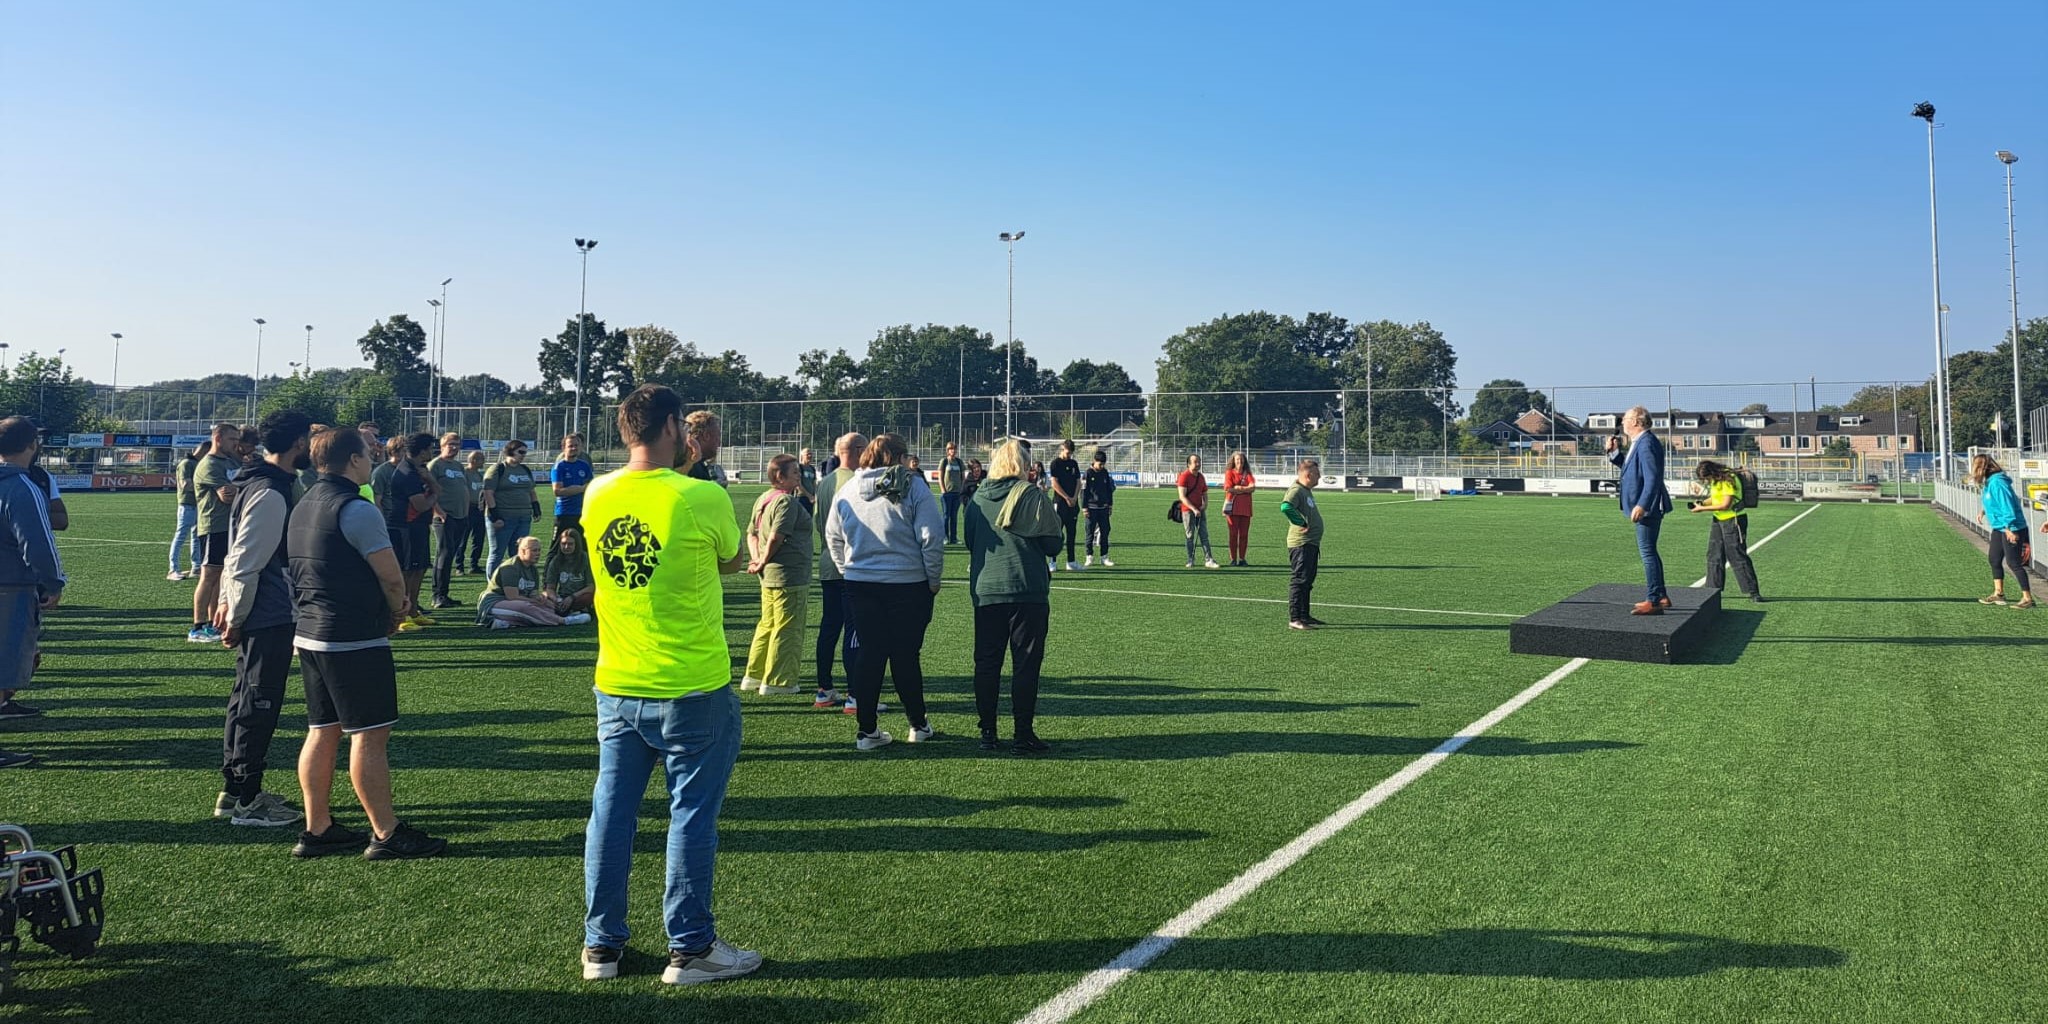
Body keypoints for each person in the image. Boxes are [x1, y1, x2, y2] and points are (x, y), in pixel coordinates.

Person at [579, 383, 758, 986]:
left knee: (610, 816)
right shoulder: (700, 494)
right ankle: (691, 948)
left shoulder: (598, 491)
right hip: (691, 685)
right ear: (675, 427)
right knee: (690, 820)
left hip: (617, 682)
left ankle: (601, 946)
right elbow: (732, 559)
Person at [286, 426, 446, 860]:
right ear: (353, 460)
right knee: (370, 735)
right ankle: (386, 832)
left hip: (311, 632)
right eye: (368, 453)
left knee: (322, 730)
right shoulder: (356, 507)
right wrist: (396, 611)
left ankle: (317, 827)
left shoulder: (303, 503)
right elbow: (391, 577)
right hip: (351, 635)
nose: (373, 458)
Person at [211, 410, 313, 827]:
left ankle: (234, 792)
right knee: (258, 703)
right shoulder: (270, 491)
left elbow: (237, 554)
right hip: (268, 611)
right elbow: (246, 558)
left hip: (261, 607)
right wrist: (234, 614)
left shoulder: (262, 481)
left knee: (245, 700)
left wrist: (228, 603)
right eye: (308, 439)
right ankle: (248, 800)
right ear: (297, 443)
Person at [825, 432, 945, 751]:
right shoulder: (913, 486)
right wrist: (933, 578)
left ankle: (867, 730)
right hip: (908, 582)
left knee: (870, 653)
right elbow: (931, 536)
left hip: (861, 582)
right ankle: (917, 724)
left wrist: (848, 570)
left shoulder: (849, 487)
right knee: (906, 655)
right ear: (899, 457)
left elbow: (832, 536)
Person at [965, 439, 1060, 753]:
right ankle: (1022, 734)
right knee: (1025, 665)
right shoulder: (1032, 495)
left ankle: (987, 733)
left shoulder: (978, 497)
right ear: (1023, 465)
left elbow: (970, 541)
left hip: (987, 590)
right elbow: (1053, 545)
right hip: (1026, 588)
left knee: (987, 664)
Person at [0, 416, 64, 769]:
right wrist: (53, 583)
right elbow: (38, 544)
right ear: (32, 445)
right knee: (3, 666)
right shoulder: (22, 486)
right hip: (9, 588)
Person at [741, 454, 813, 696]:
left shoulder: (763, 498)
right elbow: (777, 536)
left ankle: (754, 675)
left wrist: (757, 559)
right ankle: (779, 681)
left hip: (769, 575)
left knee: (767, 625)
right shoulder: (786, 502)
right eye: (794, 472)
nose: (799, 476)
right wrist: (762, 559)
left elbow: (751, 533)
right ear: (780, 476)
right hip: (788, 574)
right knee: (788, 628)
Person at [812, 432, 868, 712]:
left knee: (829, 627)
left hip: (826, 562)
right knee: (854, 630)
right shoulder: (854, 482)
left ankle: (824, 689)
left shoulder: (825, 481)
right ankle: (855, 694)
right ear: (858, 450)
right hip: (848, 564)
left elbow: (818, 522)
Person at [1606, 406, 1672, 615]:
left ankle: (1653, 600)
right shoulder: (1640, 442)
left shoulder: (1646, 443)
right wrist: (1614, 453)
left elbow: (1652, 477)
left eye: (1625, 419)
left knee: (1647, 552)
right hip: (1647, 505)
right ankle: (1660, 595)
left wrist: (1642, 504)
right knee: (1650, 550)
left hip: (1649, 507)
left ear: (1635, 421)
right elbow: (1631, 469)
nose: (1622, 423)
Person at [190, 422, 245, 643]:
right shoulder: (209, 465)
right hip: (214, 526)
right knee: (209, 575)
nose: (236, 444)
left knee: (222, 575)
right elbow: (227, 496)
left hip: (231, 526)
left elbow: (237, 489)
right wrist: (241, 490)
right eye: (232, 439)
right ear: (218, 438)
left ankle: (215, 622)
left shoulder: (231, 461)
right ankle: (197, 626)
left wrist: (239, 489)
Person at [382, 433, 441, 631]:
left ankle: (414, 610)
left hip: (419, 526)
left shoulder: (420, 469)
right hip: (404, 527)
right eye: (430, 448)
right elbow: (421, 504)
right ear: (422, 451)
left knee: (420, 568)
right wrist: (434, 490)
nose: (432, 452)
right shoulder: (407, 473)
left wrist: (432, 485)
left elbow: (433, 494)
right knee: (407, 572)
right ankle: (401, 615)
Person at [1687, 460, 1763, 603]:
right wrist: (1702, 503)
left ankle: (1753, 591)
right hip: (1718, 520)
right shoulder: (1716, 480)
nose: (1706, 482)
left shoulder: (1729, 479)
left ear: (1712, 472)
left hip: (1733, 520)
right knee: (1714, 554)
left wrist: (1702, 509)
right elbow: (1715, 498)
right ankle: (1712, 589)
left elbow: (1725, 504)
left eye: (1706, 478)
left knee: (1737, 555)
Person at [1972, 454, 2035, 609]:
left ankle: (2027, 598)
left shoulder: (1998, 482)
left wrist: (2009, 528)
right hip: (2000, 527)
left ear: (1982, 468)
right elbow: (1993, 502)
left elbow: (2007, 506)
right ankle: (1998, 593)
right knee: (1994, 559)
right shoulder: (1989, 482)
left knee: (2013, 563)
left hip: (2012, 527)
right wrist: (1984, 511)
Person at [478, 536, 575, 628]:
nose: (538, 554)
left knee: (547, 607)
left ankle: (505, 623)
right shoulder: (511, 568)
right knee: (525, 607)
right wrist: (534, 602)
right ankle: (564, 621)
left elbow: (533, 594)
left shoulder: (533, 570)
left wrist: (542, 600)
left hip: (516, 603)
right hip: (495, 603)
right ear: (523, 551)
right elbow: (512, 597)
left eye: (539, 550)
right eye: (534, 550)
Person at [425, 433, 473, 609]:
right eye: (451, 444)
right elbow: (428, 491)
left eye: (457, 444)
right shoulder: (435, 465)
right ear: (442, 445)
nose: (455, 447)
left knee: (450, 555)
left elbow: (463, 489)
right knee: (443, 555)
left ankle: (444, 594)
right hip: (444, 517)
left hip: (461, 516)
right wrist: (439, 512)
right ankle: (437, 595)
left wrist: (466, 512)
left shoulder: (458, 466)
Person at [1281, 459, 1326, 630]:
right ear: (1308, 474)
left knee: (1307, 580)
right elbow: (1286, 507)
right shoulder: (1296, 490)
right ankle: (1295, 619)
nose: (1319, 476)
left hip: (1310, 543)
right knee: (1300, 580)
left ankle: (1304, 615)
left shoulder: (1305, 490)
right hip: (1301, 543)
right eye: (1317, 473)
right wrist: (1301, 522)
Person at [481, 440, 538, 572]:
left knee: (519, 552)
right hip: (503, 517)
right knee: (497, 553)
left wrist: (536, 507)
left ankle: (515, 580)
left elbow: (531, 490)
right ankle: (493, 583)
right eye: (521, 452)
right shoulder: (498, 469)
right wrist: (495, 516)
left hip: (523, 517)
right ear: (510, 451)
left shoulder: (524, 469)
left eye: (525, 452)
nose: (523, 455)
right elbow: (488, 492)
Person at [169, 441, 207, 580]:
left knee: (197, 537)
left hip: (198, 504)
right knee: (180, 536)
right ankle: (173, 569)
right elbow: (185, 485)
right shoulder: (186, 463)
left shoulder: (197, 463)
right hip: (187, 505)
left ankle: (196, 567)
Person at [543, 525, 597, 617]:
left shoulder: (585, 559)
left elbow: (591, 587)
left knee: (589, 597)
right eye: (563, 544)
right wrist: (556, 600)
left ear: (577, 545)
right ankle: (570, 612)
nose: (566, 547)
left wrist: (572, 597)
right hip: (562, 596)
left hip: (579, 595)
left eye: (570, 544)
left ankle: (569, 611)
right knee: (543, 597)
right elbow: (550, 588)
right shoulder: (556, 561)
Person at [1178, 454, 1219, 569]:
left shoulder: (1201, 477)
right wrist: (1193, 509)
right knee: (1190, 536)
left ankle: (1209, 559)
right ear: (1189, 464)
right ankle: (1190, 559)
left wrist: (1204, 504)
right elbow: (1182, 496)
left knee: (1204, 535)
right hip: (1188, 511)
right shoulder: (1184, 476)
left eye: (1199, 461)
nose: (1198, 464)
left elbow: (1204, 493)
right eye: (1195, 462)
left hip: (1200, 510)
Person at [1048, 439, 1083, 571]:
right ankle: (1052, 562)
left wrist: (1074, 497)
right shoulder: (1055, 464)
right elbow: (1054, 483)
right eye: (1068, 453)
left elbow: (1078, 482)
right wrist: (1067, 497)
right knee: (1056, 533)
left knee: (1072, 533)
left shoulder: (1074, 463)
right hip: (1060, 503)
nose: (1069, 455)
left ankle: (1071, 561)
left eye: (1071, 453)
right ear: (1062, 449)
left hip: (1073, 504)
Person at [552, 432, 594, 540]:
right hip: (564, 513)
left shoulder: (584, 465)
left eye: (576, 445)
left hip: (582, 512)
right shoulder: (559, 467)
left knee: (582, 545)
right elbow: (558, 491)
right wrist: (581, 489)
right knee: (557, 545)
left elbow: (591, 486)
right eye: (570, 446)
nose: (574, 448)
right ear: (563, 448)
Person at [1082, 449, 1116, 567]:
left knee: (1105, 532)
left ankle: (1104, 557)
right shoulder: (1088, 473)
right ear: (1094, 461)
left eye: (1103, 464)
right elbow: (1084, 492)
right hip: (1091, 508)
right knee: (1090, 533)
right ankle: (1089, 556)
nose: (1101, 466)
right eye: (1100, 464)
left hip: (1103, 508)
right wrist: (1084, 507)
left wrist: (1110, 505)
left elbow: (1109, 490)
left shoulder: (1105, 472)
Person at [1222, 451, 1256, 567]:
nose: (1239, 461)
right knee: (1233, 535)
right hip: (1232, 508)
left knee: (1244, 535)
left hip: (1246, 509)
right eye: (1237, 459)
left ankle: (1242, 558)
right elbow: (1228, 488)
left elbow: (1253, 487)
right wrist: (1245, 489)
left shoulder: (1248, 474)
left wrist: (1239, 488)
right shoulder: (1229, 473)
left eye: (1241, 459)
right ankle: (1233, 559)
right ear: (1233, 461)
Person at [463, 450, 488, 573]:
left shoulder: (479, 475)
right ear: (474, 460)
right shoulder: (465, 473)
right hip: (467, 509)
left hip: (480, 509)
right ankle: (459, 565)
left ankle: (474, 564)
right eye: (481, 459)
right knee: (463, 538)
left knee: (478, 538)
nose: (484, 462)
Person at [682, 410, 722, 484]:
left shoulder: (680, 459)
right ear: (706, 436)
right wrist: (716, 488)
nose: (719, 443)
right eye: (717, 436)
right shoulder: (694, 467)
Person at [939, 441, 967, 544]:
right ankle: (945, 537)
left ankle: (953, 538)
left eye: (954, 449)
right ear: (948, 450)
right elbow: (940, 477)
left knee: (954, 516)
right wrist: (943, 490)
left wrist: (962, 490)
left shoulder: (959, 462)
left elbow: (963, 478)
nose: (953, 451)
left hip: (957, 493)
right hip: (947, 493)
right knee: (946, 516)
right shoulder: (944, 461)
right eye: (951, 449)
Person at [796, 447, 818, 514]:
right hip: (801, 498)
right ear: (802, 456)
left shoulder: (812, 469)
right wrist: (809, 496)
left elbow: (814, 483)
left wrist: (815, 495)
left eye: (811, 454)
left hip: (811, 499)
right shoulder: (799, 467)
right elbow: (798, 485)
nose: (810, 456)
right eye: (807, 454)